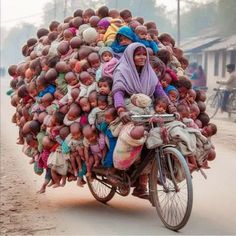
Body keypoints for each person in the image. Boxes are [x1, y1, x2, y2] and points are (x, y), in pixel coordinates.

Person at [112, 42, 172, 198]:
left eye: (144, 54)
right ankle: (121, 168)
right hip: (129, 106)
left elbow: (159, 90)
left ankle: (143, 183)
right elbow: (118, 91)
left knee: (159, 128)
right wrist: (120, 110)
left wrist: (170, 106)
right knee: (137, 132)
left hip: (148, 106)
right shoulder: (122, 70)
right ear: (131, 56)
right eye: (138, 54)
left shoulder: (149, 71)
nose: (142, 57)